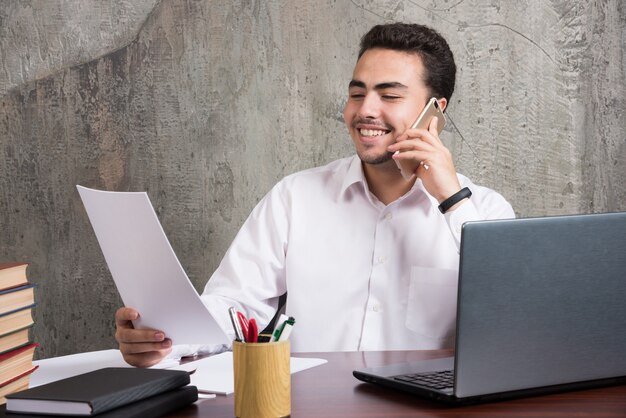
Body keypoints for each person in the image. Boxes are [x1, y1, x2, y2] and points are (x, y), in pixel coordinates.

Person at [115, 22, 515, 367]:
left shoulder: (483, 211)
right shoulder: (296, 197)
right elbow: (235, 304)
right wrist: (165, 338)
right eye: (358, 93)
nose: (365, 111)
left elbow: (513, 314)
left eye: (389, 95)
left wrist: (449, 197)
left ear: (435, 111)